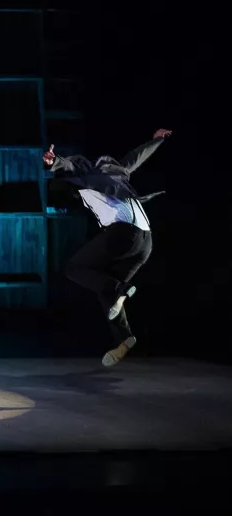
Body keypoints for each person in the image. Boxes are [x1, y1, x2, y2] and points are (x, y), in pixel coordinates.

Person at [43, 129, 171, 366]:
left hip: (125, 235)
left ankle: (120, 288)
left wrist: (54, 163)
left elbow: (70, 167)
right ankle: (124, 339)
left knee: (74, 268)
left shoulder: (88, 176)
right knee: (106, 289)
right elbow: (136, 157)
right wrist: (157, 140)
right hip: (146, 242)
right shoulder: (120, 173)